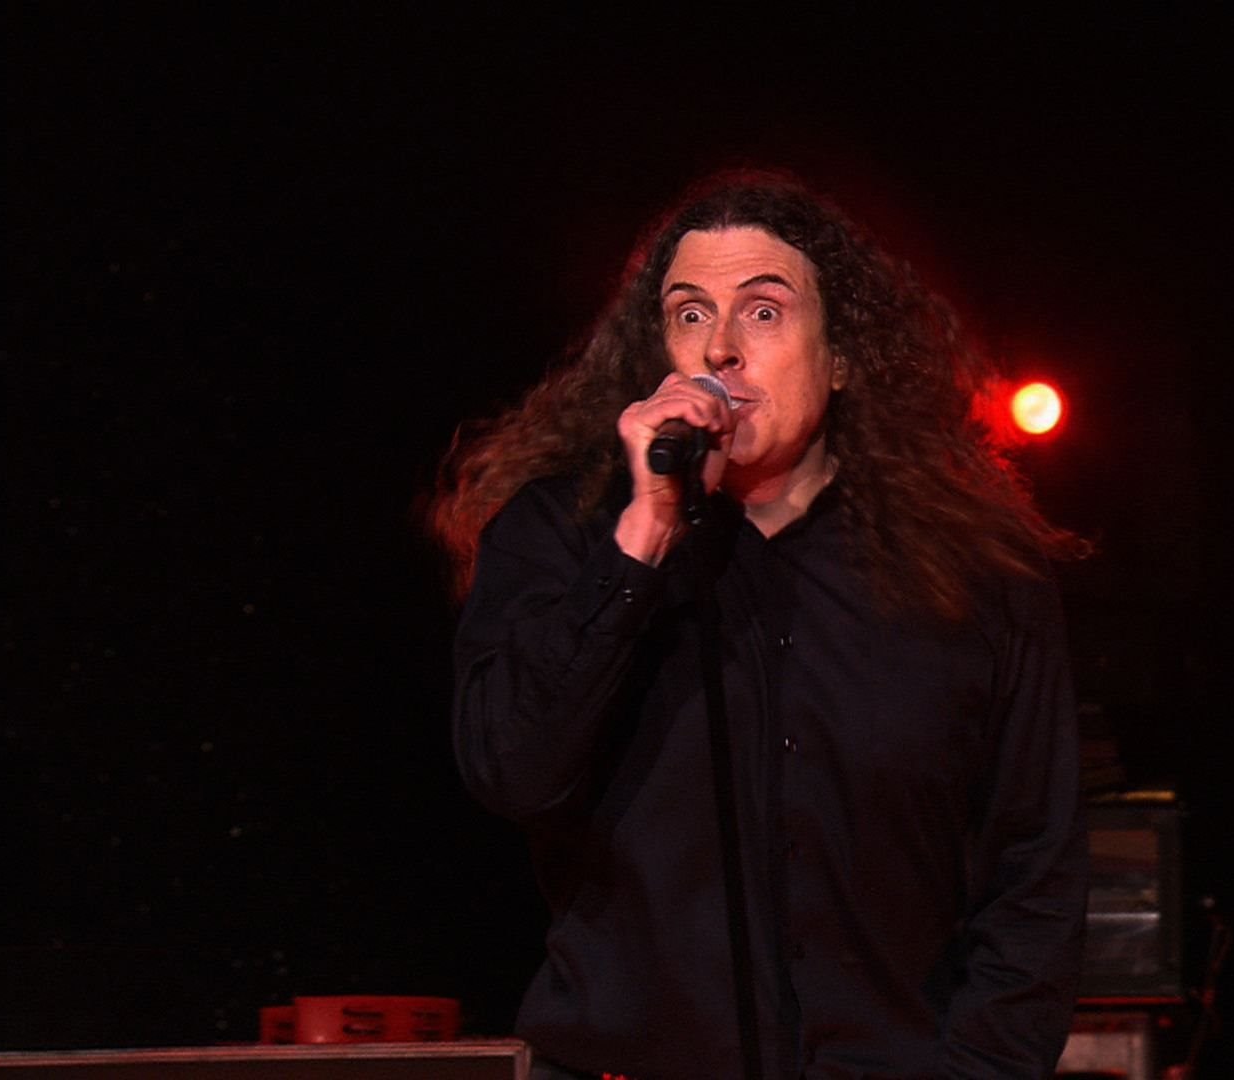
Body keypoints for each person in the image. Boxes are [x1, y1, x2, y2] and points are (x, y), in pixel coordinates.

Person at [428, 168, 1090, 1079]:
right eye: (690, 314)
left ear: (842, 355)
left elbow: (1035, 864)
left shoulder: (976, 572)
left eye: (765, 311)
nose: (721, 349)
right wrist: (644, 536)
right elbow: (511, 768)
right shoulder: (564, 536)